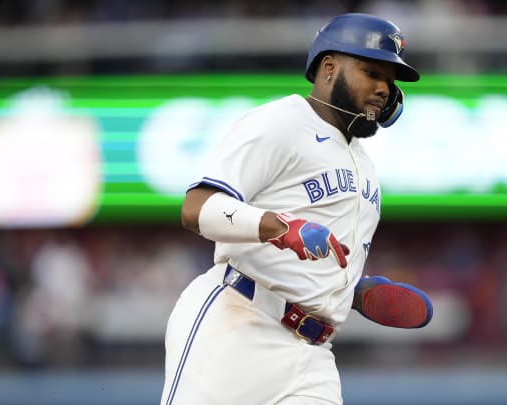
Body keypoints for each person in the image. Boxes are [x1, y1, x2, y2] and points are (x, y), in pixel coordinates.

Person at [160, 13, 433, 405]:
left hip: (315, 355)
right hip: (239, 323)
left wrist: (352, 291)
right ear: (329, 68)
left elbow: (321, 255)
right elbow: (197, 208)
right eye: (371, 72)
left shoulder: (366, 167)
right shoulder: (281, 121)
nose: (382, 90)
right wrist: (278, 227)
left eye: (390, 82)